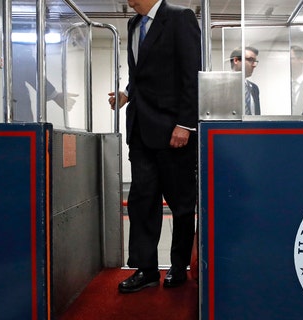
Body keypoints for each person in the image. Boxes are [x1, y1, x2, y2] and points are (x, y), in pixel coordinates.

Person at [107, 0, 200, 293]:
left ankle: (178, 266)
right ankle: (146, 270)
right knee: (142, 201)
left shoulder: (180, 18)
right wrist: (126, 95)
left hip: (175, 132)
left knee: (181, 204)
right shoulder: (134, 24)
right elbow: (141, 77)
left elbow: (191, 74)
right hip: (140, 130)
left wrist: (185, 124)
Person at [12, 44, 76, 122]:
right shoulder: (18, 43)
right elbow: (30, 69)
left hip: (17, 113)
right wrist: (54, 95)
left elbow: (29, 70)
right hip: (14, 113)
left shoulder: (19, 46)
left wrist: (54, 95)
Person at [230, 46, 261, 115]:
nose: (254, 65)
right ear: (236, 60)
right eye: (250, 60)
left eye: (255, 61)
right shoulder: (223, 86)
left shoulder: (254, 88)